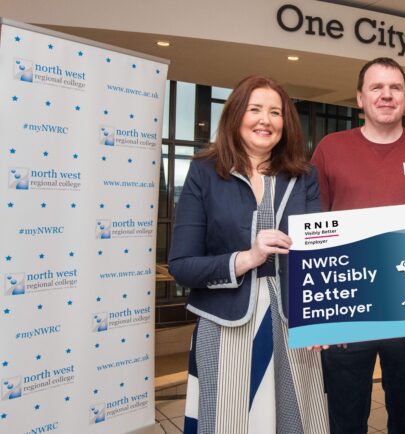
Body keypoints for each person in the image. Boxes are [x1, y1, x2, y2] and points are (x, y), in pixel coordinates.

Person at [168, 75, 328, 434]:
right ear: (236, 115)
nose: (265, 120)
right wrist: (246, 258)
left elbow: (319, 255)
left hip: (292, 322)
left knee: (295, 419)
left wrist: (321, 316)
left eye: (275, 112)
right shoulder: (204, 173)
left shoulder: (304, 176)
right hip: (225, 324)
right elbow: (182, 266)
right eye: (255, 109)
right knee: (228, 422)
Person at [311, 57, 405, 434]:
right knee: (345, 419)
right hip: (347, 314)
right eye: (376, 87)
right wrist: (325, 313)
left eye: (395, 88)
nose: (386, 95)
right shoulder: (329, 148)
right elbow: (312, 230)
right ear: (360, 98)